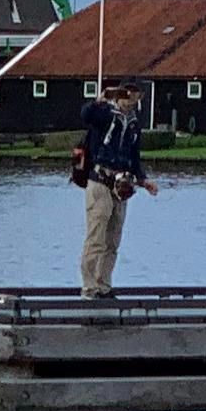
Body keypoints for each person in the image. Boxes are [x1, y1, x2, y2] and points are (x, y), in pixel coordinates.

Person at [75, 75, 157, 298]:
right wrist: (99, 100)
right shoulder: (105, 114)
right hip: (101, 180)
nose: (130, 97)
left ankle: (104, 284)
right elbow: (86, 115)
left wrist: (143, 180)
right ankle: (89, 286)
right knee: (96, 237)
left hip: (121, 186)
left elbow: (134, 156)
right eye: (126, 91)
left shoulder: (133, 124)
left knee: (113, 240)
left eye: (135, 92)